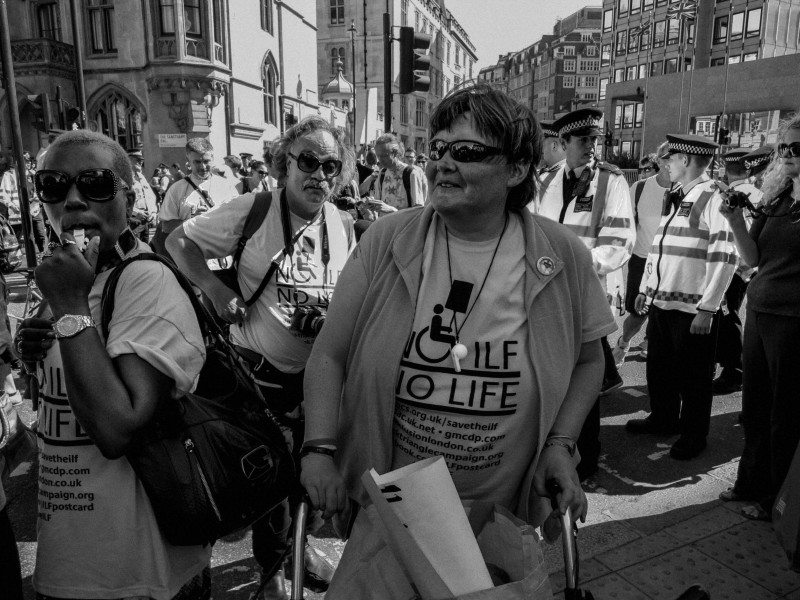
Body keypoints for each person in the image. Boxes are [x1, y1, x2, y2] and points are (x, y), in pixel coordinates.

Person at [299, 83, 616, 599]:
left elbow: (588, 359)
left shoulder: (561, 254)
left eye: (465, 152)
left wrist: (561, 444)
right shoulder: (386, 240)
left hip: (500, 510)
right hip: (392, 506)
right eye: (437, 149)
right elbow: (329, 355)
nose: (442, 163)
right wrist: (318, 450)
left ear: (516, 170)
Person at [14, 129, 211, 599]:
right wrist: (34, 349)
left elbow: (117, 428)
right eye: (55, 186)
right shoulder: (74, 277)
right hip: (71, 555)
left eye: (96, 183)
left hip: (138, 573)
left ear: (129, 194)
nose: (75, 200)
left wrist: (68, 309)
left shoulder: (144, 280)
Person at [167, 116, 356, 599]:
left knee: (307, 479)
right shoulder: (255, 208)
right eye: (308, 161)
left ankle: (299, 549)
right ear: (285, 164)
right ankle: (273, 572)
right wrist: (211, 286)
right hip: (257, 380)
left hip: (316, 381)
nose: (320, 175)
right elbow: (177, 241)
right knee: (267, 481)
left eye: (331, 165)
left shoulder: (340, 222)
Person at [532, 107, 635, 480]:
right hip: (546, 293)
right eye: (583, 140)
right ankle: (549, 448)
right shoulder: (543, 181)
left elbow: (620, 240)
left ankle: (586, 457)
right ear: (563, 143)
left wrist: (575, 263)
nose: (591, 146)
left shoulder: (612, 181)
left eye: (595, 140)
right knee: (549, 373)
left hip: (587, 290)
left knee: (584, 376)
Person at [627, 134, 737, 460]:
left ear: (686, 160)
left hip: (692, 308)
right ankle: (663, 419)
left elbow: (725, 255)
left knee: (694, 379)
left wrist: (708, 308)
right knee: (660, 371)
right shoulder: (676, 193)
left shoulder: (714, 196)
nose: (666, 164)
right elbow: (659, 248)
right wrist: (646, 289)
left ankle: (693, 435)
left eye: (671, 158)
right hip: (662, 302)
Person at [718, 113, 800, 520]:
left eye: (796, 149)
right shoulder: (777, 199)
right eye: (784, 147)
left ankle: (775, 502)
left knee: (784, 417)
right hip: (761, 312)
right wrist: (734, 220)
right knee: (754, 408)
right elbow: (752, 259)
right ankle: (748, 483)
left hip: (793, 322)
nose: (787, 156)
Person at [612, 144, 673, 367]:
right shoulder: (639, 189)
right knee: (638, 314)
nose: (673, 162)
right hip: (643, 259)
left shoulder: (689, 190)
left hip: (674, 264)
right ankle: (623, 343)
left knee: (667, 316)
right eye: (668, 157)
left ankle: (652, 346)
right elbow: (624, 226)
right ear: (661, 160)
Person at [712, 149, 764, 395]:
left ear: (725, 168)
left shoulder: (733, 194)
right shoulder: (759, 193)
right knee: (727, 315)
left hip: (734, 265)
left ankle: (735, 371)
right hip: (747, 265)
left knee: (727, 316)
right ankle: (731, 367)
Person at [159, 137, 238, 245]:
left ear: (212, 158)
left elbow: (238, 218)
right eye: (197, 162)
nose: (203, 166)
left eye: (206, 161)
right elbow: (166, 226)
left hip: (222, 252)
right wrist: (192, 221)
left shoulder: (226, 186)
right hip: (190, 254)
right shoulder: (176, 189)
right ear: (188, 162)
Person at [358, 133, 427, 213]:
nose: (380, 160)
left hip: (405, 225)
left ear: (395, 153)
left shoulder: (411, 174)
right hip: (385, 224)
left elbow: (418, 211)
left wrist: (392, 210)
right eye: (378, 156)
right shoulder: (382, 173)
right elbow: (379, 203)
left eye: (384, 155)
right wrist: (370, 203)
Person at [127, 148, 159, 242]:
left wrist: (153, 211)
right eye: (137, 159)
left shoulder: (141, 177)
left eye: (142, 159)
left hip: (144, 221)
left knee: (144, 249)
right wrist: (136, 212)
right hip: (132, 220)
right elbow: (121, 200)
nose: (141, 162)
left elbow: (151, 196)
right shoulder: (124, 177)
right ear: (128, 159)